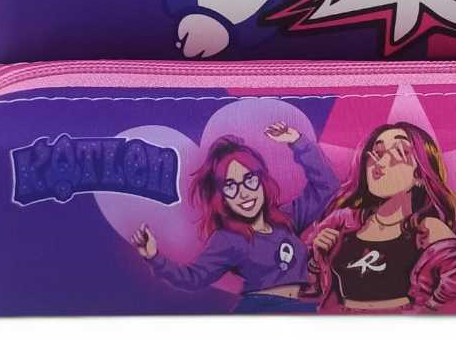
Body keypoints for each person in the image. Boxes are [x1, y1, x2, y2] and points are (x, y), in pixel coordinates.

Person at [127, 122, 337, 313]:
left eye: (249, 180)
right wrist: (154, 257)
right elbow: (193, 278)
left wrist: (297, 142)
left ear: (262, 180)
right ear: (222, 197)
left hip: (299, 308)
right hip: (260, 310)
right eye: (230, 186)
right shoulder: (228, 239)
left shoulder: (286, 219)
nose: (243, 193)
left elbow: (327, 185)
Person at [304, 122, 456, 312]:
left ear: (419, 175)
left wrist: (429, 309)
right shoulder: (343, 221)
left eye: (400, 152)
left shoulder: (426, 229)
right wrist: (316, 258)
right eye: (377, 153)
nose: (380, 163)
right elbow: (307, 287)